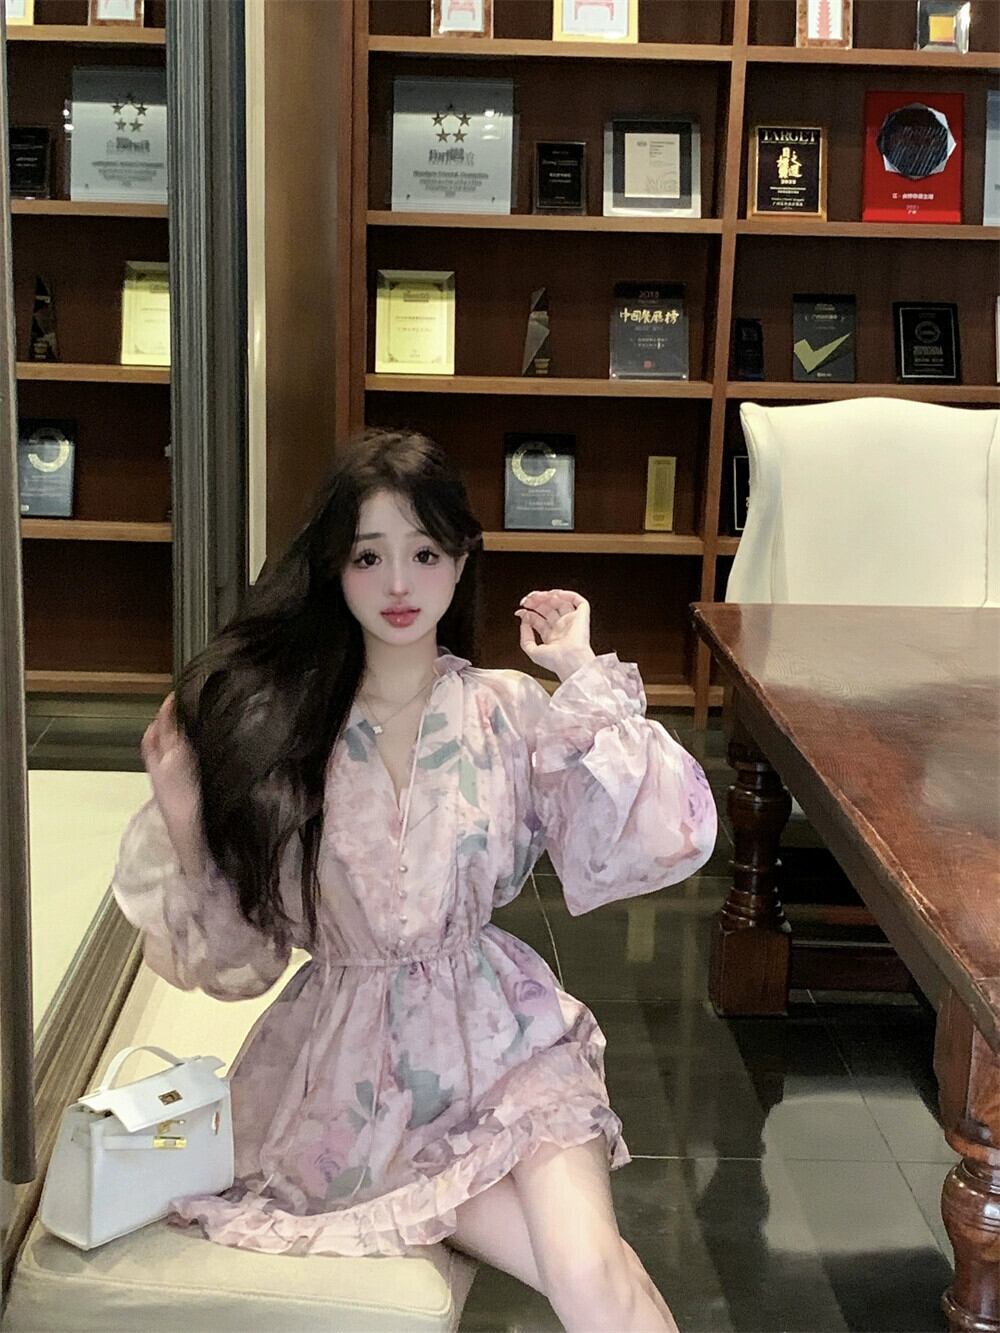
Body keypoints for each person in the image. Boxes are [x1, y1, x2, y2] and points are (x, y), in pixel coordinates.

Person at [111, 428, 717, 1332]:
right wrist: (190, 822)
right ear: (335, 567)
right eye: (369, 556)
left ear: (462, 560)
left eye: (425, 553)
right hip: (358, 1096)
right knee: (597, 1279)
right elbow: (239, 963)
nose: (399, 584)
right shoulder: (284, 740)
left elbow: (665, 835)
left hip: (506, 1045)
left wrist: (582, 673)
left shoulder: (508, 710)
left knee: (592, 1270)